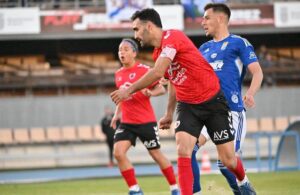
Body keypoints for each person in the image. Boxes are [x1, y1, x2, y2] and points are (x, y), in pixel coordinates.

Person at [111, 8, 256, 195]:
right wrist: (169, 113)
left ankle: (243, 181)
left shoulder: (173, 37)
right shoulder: (157, 54)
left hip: (213, 102)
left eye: (136, 29)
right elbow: (172, 80)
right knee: (183, 149)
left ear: (148, 26)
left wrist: (128, 90)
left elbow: (157, 72)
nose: (135, 35)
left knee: (228, 161)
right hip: (188, 105)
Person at [191, 3, 263, 195]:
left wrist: (250, 93)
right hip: (206, 112)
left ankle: (243, 189)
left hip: (231, 111)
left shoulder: (239, 43)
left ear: (220, 18)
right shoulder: (203, 48)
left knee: (225, 164)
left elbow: (257, 72)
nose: (202, 22)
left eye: (206, 17)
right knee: (188, 149)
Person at [110, 38, 180, 195]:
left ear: (134, 53)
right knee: (118, 153)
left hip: (145, 122)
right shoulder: (118, 74)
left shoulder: (144, 70)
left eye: (126, 49)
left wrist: (151, 92)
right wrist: (116, 114)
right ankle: (134, 189)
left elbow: (161, 89)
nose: (122, 52)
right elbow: (122, 96)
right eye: (120, 49)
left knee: (155, 154)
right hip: (127, 123)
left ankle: (174, 187)